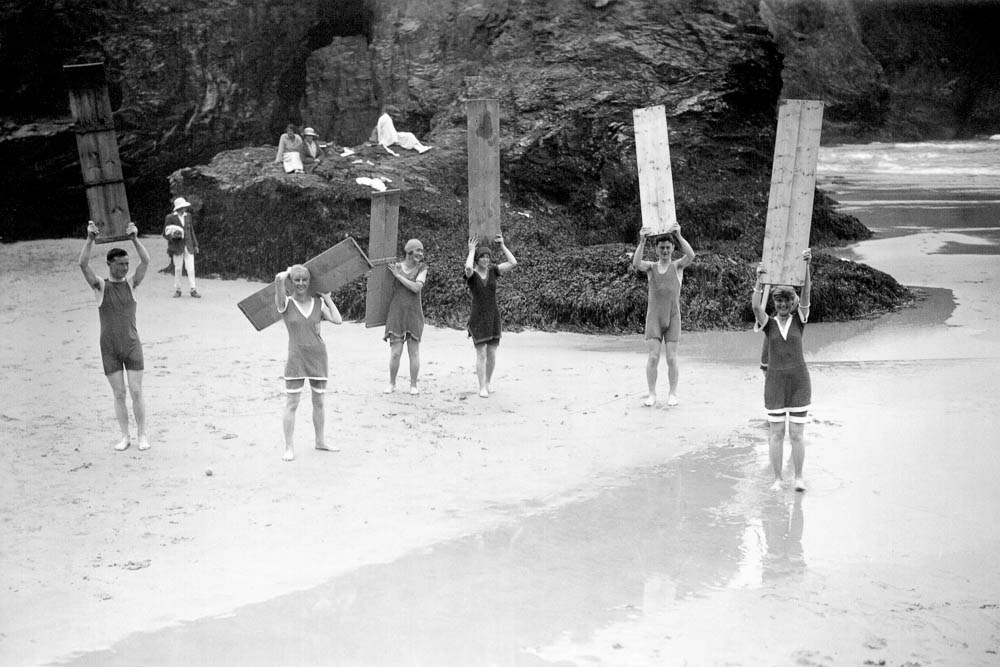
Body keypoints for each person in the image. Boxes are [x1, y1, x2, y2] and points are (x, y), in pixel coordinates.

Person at [78, 220, 151, 452]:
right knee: (119, 393)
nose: (125, 268)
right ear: (110, 264)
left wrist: (134, 238)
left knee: (136, 391)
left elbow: (146, 261)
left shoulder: (132, 284)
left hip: (131, 345)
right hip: (109, 347)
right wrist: (90, 239)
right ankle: (124, 436)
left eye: (127, 263)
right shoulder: (100, 286)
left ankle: (142, 435)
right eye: (120, 264)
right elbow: (82, 263)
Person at [752, 249, 813, 492]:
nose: (783, 304)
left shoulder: (800, 319)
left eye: (787, 301)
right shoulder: (769, 324)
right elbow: (756, 306)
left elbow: (806, 294)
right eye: (779, 301)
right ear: (775, 303)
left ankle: (798, 477)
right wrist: (759, 278)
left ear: (792, 302)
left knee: (797, 434)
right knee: (776, 434)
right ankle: (778, 478)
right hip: (775, 385)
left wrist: (806, 267)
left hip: (799, 384)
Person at [274, 264, 343, 461]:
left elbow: (337, 320)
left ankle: (320, 441)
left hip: (318, 357)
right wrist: (289, 271)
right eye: (297, 280)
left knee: (319, 402)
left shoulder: (318, 303)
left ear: (309, 282)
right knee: (292, 402)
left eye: (304, 279)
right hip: (296, 358)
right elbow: (278, 279)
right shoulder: (285, 303)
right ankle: (288, 447)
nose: (301, 283)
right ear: (292, 282)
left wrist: (327, 297)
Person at [632, 225, 696, 407]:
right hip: (654, 319)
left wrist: (679, 236)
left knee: (671, 358)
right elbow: (636, 264)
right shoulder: (651, 268)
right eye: (662, 248)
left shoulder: (677, 266)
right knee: (653, 357)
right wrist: (642, 242)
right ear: (657, 249)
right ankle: (651, 394)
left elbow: (691, 256)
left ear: (672, 248)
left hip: (673, 317)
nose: (665, 251)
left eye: (668, 247)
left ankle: (672, 393)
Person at [464, 234, 517, 398]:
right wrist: (472, 250)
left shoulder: (494, 271)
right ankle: (481, 387)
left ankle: (488, 382)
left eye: (487, 257)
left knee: (492, 353)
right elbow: (467, 268)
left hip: (493, 316)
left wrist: (502, 245)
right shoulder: (472, 275)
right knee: (481, 353)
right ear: (477, 259)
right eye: (482, 257)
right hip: (478, 317)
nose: (485, 260)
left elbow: (513, 263)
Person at [383, 239, 428, 395]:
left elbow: (416, 287)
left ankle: (413, 385)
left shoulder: (422, 268)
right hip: (396, 313)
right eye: (417, 250)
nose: (420, 254)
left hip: (414, 313)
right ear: (409, 251)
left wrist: (399, 276)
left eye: (421, 251)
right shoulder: (395, 267)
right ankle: (392, 383)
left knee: (414, 352)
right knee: (395, 352)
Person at [163, 196, 200, 298]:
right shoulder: (170, 217)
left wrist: (195, 244)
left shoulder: (188, 216)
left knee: (191, 268)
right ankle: (178, 289)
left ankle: (193, 289)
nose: (185, 208)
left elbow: (191, 231)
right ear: (178, 208)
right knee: (178, 268)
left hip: (188, 246)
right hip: (177, 246)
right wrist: (173, 236)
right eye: (183, 207)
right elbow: (165, 233)